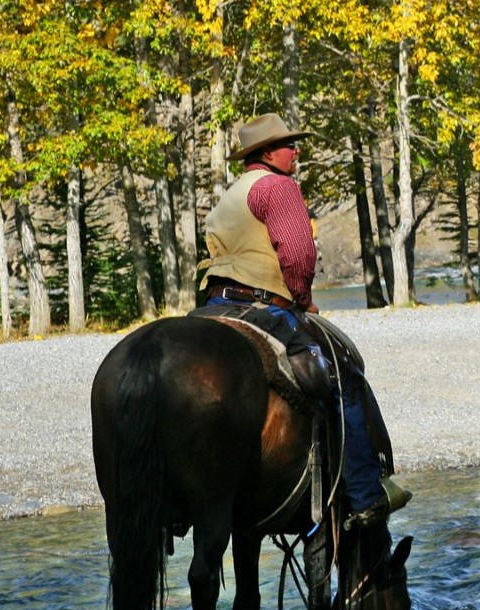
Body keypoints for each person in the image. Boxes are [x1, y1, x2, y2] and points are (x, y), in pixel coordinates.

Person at [196, 113, 407, 528]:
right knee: (342, 375)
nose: (296, 151)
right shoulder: (279, 187)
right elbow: (297, 253)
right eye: (289, 145)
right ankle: (365, 494)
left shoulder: (232, 194)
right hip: (262, 303)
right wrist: (303, 299)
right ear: (267, 153)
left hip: (213, 305)